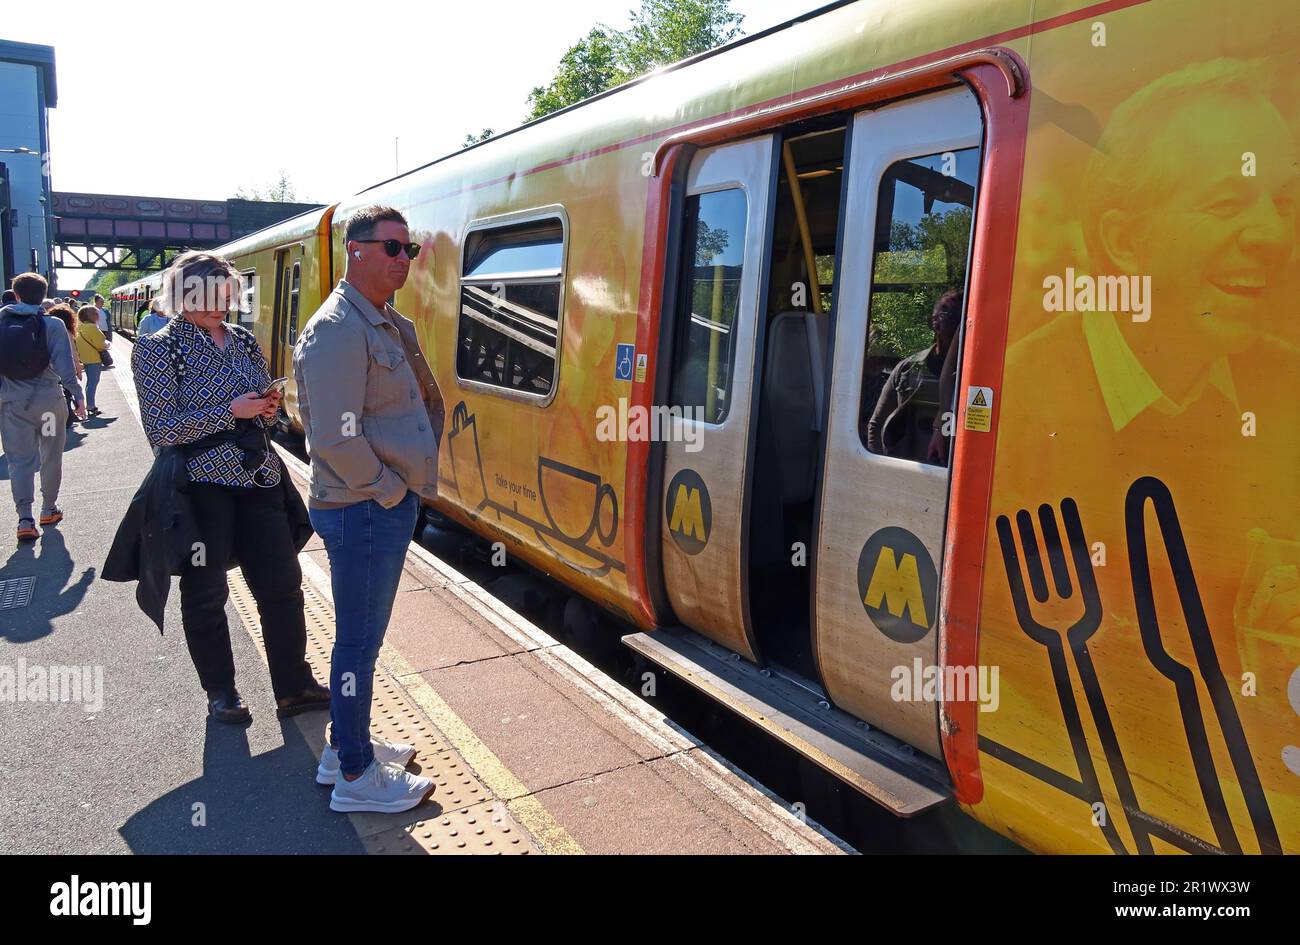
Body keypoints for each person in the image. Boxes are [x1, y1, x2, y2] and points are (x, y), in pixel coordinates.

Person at [126, 250, 327, 724]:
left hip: (257, 479)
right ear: (180, 296)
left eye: (226, 296)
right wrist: (228, 413)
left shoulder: (242, 340)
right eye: (208, 297)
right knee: (205, 592)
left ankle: (294, 687)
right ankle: (222, 692)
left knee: (283, 586)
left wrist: (268, 406)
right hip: (200, 488)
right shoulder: (158, 347)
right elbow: (161, 430)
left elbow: (264, 412)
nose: (220, 306)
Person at [294, 205, 444, 813]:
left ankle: (342, 747)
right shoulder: (337, 329)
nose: (404, 260)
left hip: (375, 505)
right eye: (392, 248)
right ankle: (355, 776)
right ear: (356, 250)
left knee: (363, 638)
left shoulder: (379, 320)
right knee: (356, 642)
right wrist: (388, 488)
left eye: (410, 249)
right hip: (363, 507)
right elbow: (331, 435)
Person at [0, 273, 86, 542]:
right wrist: (79, 396)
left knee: (20, 462)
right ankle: (48, 509)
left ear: (15, 295)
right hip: (48, 404)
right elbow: (65, 367)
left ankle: (24, 519)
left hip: (13, 406)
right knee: (50, 454)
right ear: (44, 295)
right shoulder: (52, 325)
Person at [865, 288, 962, 464]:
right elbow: (876, 424)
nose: (954, 317)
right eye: (947, 312)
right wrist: (878, 466)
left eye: (960, 312)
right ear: (934, 322)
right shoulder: (908, 369)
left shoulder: (973, 378)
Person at [48, 304, 84, 429]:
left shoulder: (45, 328)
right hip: (58, 377)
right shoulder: (65, 331)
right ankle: (68, 417)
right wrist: (78, 369)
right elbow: (72, 354)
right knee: (66, 395)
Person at [75, 306, 108, 416]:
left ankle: (86, 404)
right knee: (93, 383)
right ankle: (90, 406)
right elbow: (100, 344)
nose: (98, 316)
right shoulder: (92, 328)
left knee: (89, 383)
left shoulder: (80, 327)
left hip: (84, 358)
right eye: (96, 314)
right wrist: (106, 345)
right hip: (93, 359)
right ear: (91, 315)